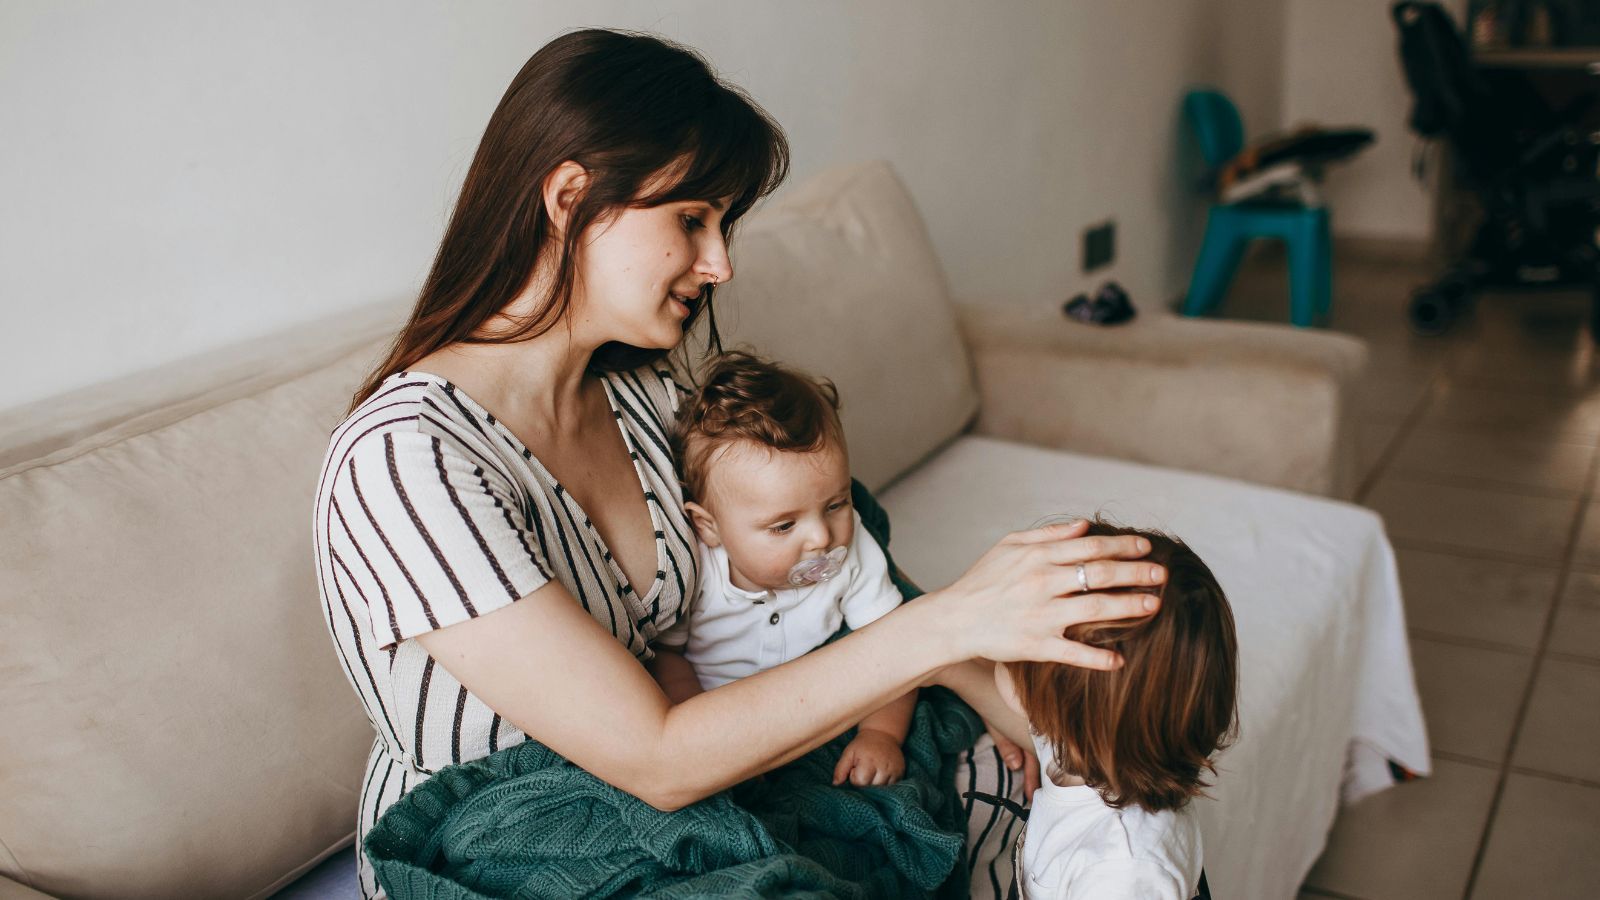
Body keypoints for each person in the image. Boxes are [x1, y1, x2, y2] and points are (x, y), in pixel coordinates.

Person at [312, 28, 1165, 899]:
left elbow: (832, 551)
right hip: (513, 838)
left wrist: (995, 693)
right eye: (692, 220)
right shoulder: (408, 459)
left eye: (723, 226)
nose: (720, 264)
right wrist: (948, 625)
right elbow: (656, 757)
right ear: (569, 198)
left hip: (686, 794)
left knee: (1065, 801)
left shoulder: (642, 396)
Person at [653, 351, 918, 788]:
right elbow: (668, 658)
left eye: (836, 504)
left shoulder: (853, 549)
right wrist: (709, 745)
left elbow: (898, 648)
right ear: (709, 527)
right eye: (783, 526)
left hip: (819, 711)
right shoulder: (695, 571)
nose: (821, 538)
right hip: (723, 719)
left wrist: (881, 734)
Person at [995, 521, 1238, 900]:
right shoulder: (1090, 747)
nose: (1001, 640)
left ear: (1063, 710)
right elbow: (1005, 704)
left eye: (1022, 640)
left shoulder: (1124, 870)